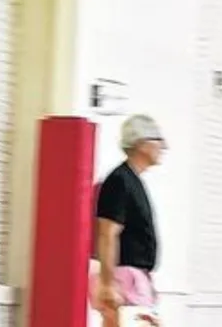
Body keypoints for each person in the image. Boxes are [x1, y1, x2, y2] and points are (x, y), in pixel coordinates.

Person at [92, 114, 166, 327]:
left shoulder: (131, 180)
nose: (162, 146)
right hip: (125, 276)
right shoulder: (120, 181)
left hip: (134, 276)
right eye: (157, 140)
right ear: (141, 144)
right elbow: (107, 233)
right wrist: (107, 283)